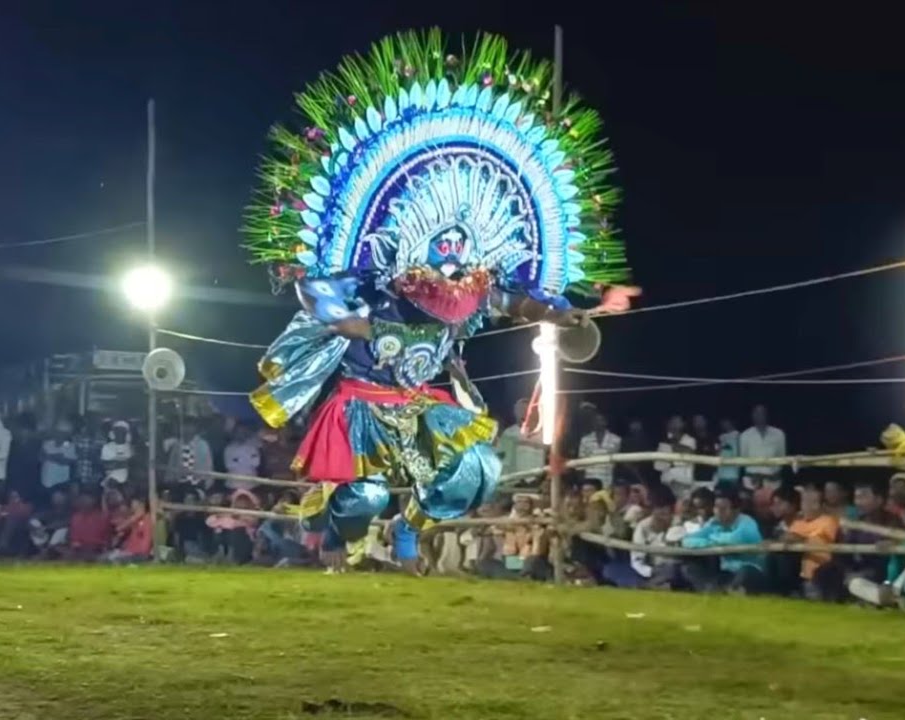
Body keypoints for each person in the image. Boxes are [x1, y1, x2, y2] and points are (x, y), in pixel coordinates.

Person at [242, 30, 634, 558]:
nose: (452, 257)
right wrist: (344, 319)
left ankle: (409, 527)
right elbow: (318, 289)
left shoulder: (476, 280)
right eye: (442, 246)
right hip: (364, 398)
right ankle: (336, 543)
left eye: (463, 247)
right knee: (364, 495)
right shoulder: (383, 265)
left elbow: (517, 302)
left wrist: (566, 316)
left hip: (425, 399)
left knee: (479, 468)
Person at [680, 487, 765, 593]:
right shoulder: (713, 523)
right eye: (716, 507)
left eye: (723, 508)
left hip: (749, 569)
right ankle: (714, 590)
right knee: (689, 568)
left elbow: (734, 539)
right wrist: (708, 543)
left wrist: (712, 540)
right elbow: (688, 540)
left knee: (745, 572)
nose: (718, 512)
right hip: (725, 571)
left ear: (736, 510)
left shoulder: (747, 522)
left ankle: (729, 590)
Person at [603, 484, 684, 589]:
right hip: (648, 570)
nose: (662, 513)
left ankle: (650, 586)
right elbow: (637, 559)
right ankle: (651, 585)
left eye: (665, 508)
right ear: (653, 509)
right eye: (658, 508)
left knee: (674, 569)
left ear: (671, 509)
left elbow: (679, 556)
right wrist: (650, 571)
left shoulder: (680, 524)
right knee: (611, 569)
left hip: (671, 568)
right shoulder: (643, 526)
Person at [785, 484, 840, 599]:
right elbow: (788, 537)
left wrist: (800, 538)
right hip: (800, 571)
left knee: (815, 541)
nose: (804, 506)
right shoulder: (799, 522)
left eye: (809, 502)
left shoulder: (829, 521)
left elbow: (816, 537)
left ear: (819, 505)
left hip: (822, 571)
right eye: (804, 502)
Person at [497, 399, 547, 486]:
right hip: (516, 485)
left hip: (539, 484)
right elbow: (505, 463)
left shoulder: (544, 435)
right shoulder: (510, 434)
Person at [739, 405, 785, 489]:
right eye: (756, 413)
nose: (759, 415)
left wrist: (773, 473)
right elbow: (743, 459)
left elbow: (782, 457)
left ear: (767, 415)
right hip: (751, 482)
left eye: (762, 413)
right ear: (752, 416)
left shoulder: (779, 434)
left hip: (773, 482)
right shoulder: (745, 435)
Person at [654, 415, 696, 494]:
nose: (674, 424)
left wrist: (672, 461)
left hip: (684, 482)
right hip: (668, 482)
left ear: (683, 424)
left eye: (676, 421)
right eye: (672, 421)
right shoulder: (664, 443)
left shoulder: (690, 440)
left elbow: (688, 453)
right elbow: (658, 466)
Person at [578, 413, 622, 487]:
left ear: (605, 422)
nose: (597, 422)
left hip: (608, 481)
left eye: (600, 420)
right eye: (595, 420)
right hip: (590, 480)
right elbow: (581, 463)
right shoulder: (585, 440)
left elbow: (617, 464)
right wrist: (582, 482)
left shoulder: (616, 439)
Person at [105, 496, 153, 564]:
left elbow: (146, 543)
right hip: (128, 551)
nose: (132, 505)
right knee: (107, 557)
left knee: (112, 559)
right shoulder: (134, 519)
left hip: (137, 554)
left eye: (134, 503)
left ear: (141, 505)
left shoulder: (148, 519)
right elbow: (119, 529)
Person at [169, 417, 214, 487]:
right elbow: (172, 464)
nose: (187, 428)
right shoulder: (177, 445)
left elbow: (208, 465)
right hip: (179, 484)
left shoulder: (203, 445)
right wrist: (169, 481)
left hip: (198, 483)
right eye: (184, 426)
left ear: (195, 427)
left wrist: (207, 484)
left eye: (189, 425)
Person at [66, 491, 112, 560]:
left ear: (94, 500)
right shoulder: (75, 517)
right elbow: (74, 541)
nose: (83, 501)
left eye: (86, 498)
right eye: (81, 498)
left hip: (97, 551)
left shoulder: (103, 517)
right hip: (79, 551)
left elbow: (107, 539)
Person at [40, 421, 77, 497]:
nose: (60, 435)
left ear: (67, 434)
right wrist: (57, 457)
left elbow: (66, 461)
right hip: (44, 483)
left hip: (60, 484)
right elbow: (40, 457)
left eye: (63, 433)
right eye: (58, 432)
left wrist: (48, 456)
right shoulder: (47, 443)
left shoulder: (70, 446)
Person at [222, 422, 262, 490]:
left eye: (243, 431)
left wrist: (239, 460)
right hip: (234, 483)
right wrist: (245, 460)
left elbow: (256, 463)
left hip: (251, 482)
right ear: (234, 433)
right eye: (238, 432)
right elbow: (228, 465)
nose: (240, 434)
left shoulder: (252, 447)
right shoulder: (229, 448)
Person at [70, 416, 101, 492]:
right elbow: (73, 455)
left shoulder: (100, 440)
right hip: (77, 475)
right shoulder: (75, 439)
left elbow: (100, 459)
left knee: (90, 499)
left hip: (93, 477)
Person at [100, 421, 133, 488]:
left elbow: (132, 465)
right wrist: (125, 463)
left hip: (126, 485)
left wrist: (119, 463)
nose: (120, 434)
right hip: (110, 483)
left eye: (123, 432)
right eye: (117, 431)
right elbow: (107, 465)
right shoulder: (107, 447)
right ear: (113, 433)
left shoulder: (130, 448)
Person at [618, 418, 651, 485]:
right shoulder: (625, 441)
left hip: (643, 472)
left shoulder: (646, 441)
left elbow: (648, 458)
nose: (635, 426)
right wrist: (632, 469)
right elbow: (621, 458)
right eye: (633, 424)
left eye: (637, 424)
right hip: (627, 472)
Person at [716, 419, 741, 489]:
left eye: (726, 421)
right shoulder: (720, 437)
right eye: (722, 422)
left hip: (734, 473)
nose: (724, 424)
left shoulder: (738, 435)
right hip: (721, 473)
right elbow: (717, 452)